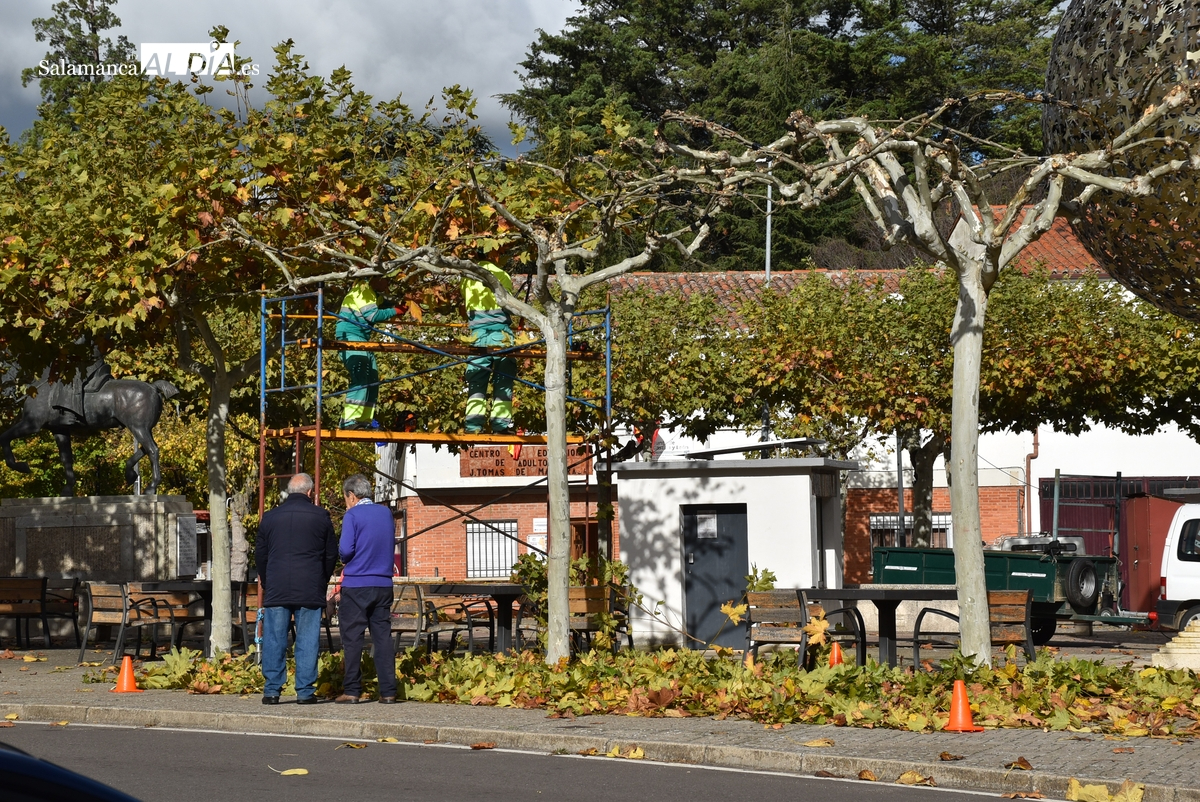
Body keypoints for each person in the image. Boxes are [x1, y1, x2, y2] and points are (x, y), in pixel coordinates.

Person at [255, 472, 337, 705]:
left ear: (289, 491)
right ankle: (304, 691)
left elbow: (260, 554)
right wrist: (322, 579)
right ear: (310, 492)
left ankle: (271, 690)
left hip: (277, 586)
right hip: (310, 586)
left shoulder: (269, 518)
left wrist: (267, 579)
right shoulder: (320, 516)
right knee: (307, 639)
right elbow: (331, 553)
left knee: (274, 638)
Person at [335, 473, 399, 704]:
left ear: (352, 495)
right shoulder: (386, 513)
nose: (346, 502)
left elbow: (345, 551)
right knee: (382, 637)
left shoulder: (352, 515)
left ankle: (352, 690)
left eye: (345, 497)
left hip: (356, 584)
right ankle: (389, 691)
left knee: (352, 638)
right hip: (383, 583)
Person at [460, 261, 517, 434]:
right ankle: (500, 425)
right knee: (503, 380)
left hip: (477, 334)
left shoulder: (466, 277)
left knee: (476, 379)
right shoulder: (502, 274)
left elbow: (465, 303)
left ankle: (473, 426)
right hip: (501, 334)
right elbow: (509, 304)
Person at [336, 276, 399, 429]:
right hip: (350, 336)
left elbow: (383, 302)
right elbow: (373, 315)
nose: (387, 285)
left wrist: (398, 302)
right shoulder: (363, 290)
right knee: (361, 375)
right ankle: (349, 420)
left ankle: (363, 420)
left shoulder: (372, 293)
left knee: (372, 377)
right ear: (376, 278)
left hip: (361, 338)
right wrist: (396, 310)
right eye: (387, 280)